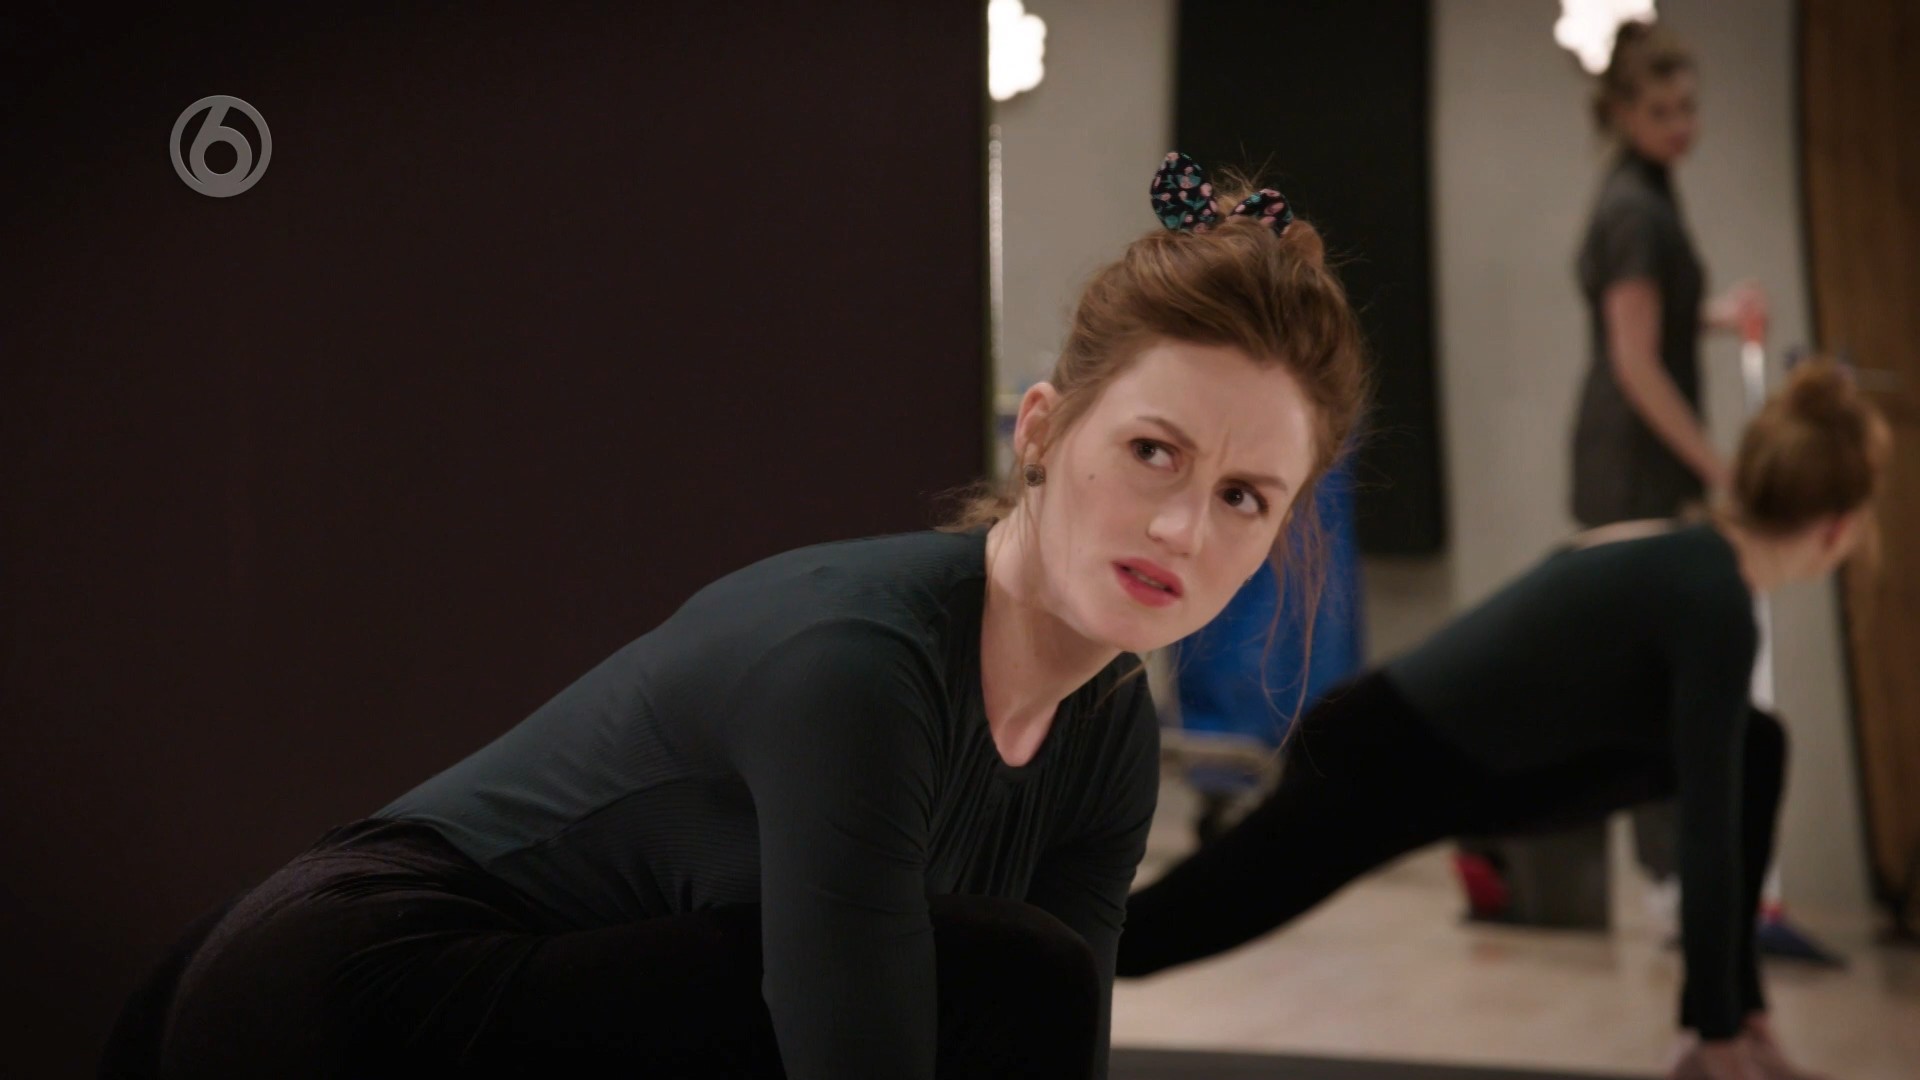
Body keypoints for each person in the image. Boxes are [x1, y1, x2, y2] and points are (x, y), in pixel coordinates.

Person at [131, 152, 1370, 1080]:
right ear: (1042, 430)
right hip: (346, 1004)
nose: (1183, 529)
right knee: (1004, 972)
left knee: (1012, 981)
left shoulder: (1107, 736)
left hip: (564, 1009)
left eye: (1243, 497)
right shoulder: (861, 665)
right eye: (1153, 451)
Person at [1117, 360, 1890, 1080]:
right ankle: (1046, 959)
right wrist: (1712, 1035)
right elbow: (1708, 832)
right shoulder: (1713, 600)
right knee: (1163, 932)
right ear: (1838, 527)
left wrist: (1727, 1011)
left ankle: (1737, 1020)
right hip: (1383, 756)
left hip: (1463, 768)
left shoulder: (1692, 563)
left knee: (1757, 745)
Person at [1563, 19, 1774, 908]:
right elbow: (1635, 363)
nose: (1681, 125)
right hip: (1632, 466)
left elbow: (1652, 324)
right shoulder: (1634, 211)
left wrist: (1717, 315)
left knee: (1663, 668)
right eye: (1661, 110)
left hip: (1641, 462)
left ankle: (1674, 878)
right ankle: (1666, 883)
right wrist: (1724, 471)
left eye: (1688, 107)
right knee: (1656, 674)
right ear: (1621, 112)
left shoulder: (1648, 192)